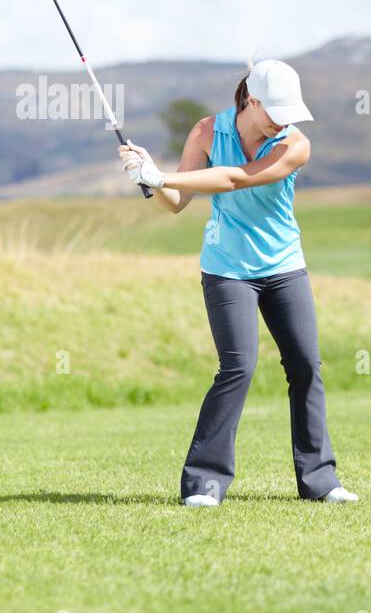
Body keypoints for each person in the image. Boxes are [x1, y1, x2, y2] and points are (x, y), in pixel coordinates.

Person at [119, 59, 357, 507]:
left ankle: (321, 481)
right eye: (275, 112)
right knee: (238, 367)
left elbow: (233, 179)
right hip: (227, 269)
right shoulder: (208, 132)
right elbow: (176, 202)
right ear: (251, 99)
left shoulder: (294, 144)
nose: (282, 121)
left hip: (284, 266)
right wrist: (147, 175)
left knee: (306, 366)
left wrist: (162, 175)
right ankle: (204, 483)